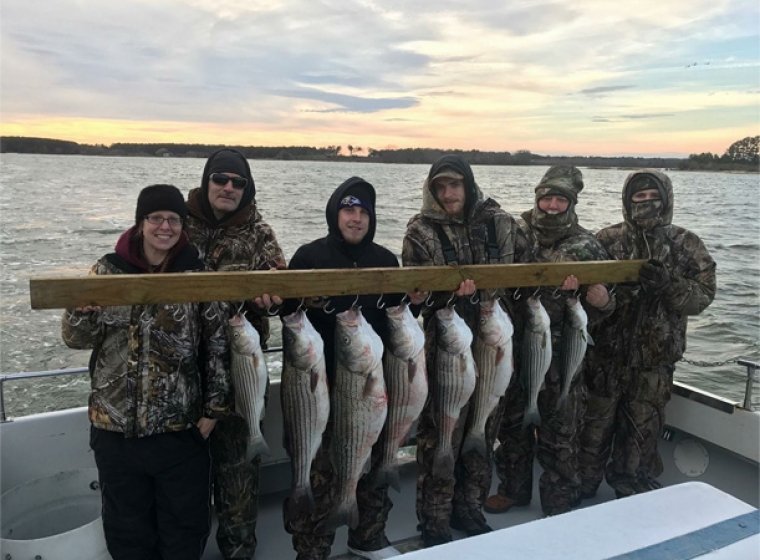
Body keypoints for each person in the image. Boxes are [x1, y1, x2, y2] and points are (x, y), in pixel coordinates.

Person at [61, 184, 231, 560]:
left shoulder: (196, 274)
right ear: (141, 223)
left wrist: (213, 410)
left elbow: (217, 343)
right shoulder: (107, 270)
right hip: (115, 429)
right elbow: (75, 337)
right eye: (156, 218)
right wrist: (81, 311)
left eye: (173, 219)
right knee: (127, 532)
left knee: (184, 530)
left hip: (179, 430)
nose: (165, 227)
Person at [402, 154, 532, 547]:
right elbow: (414, 298)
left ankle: (470, 507)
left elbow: (526, 273)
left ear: (469, 184)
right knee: (440, 437)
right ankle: (435, 522)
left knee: (483, 432)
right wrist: (439, 294)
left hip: (494, 347)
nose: (447, 193)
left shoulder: (503, 223)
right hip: (447, 351)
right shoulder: (420, 231)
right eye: (439, 187)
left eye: (454, 185)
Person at [282, 176, 402, 560]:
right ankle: (312, 548)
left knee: (371, 464)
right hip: (318, 386)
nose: (356, 218)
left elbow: (401, 315)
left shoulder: (386, 260)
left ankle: (367, 537)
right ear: (335, 214)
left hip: (371, 382)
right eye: (348, 210)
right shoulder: (308, 257)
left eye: (363, 211)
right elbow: (286, 311)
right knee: (321, 471)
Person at [485, 165, 615, 517]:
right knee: (513, 425)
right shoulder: (515, 231)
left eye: (560, 199)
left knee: (561, 431)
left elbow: (604, 310)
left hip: (563, 354)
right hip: (515, 347)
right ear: (537, 199)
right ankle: (513, 488)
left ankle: (559, 498)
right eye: (547, 198)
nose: (553, 205)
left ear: (571, 203)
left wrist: (601, 301)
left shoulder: (588, 244)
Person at [578, 169, 716, 499]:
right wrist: (602, 300)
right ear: (627, 201)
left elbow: (703, 296)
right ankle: (580, 488)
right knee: (591, 431)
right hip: (604, 359)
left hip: (655, 364)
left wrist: (669, 286)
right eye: (639, 197)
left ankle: (632, 492)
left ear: (666, 199)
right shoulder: (606, 240)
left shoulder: (686, 243)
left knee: (640, 436)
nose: (646, 202)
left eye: (653, 196)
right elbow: (583, 295)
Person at [185, 148, 286, 560]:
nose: (228, 188)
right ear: (206, 181)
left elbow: (283, 292)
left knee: (238, 476)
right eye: (220, 179)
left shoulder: (260, 233)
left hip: (241, 368)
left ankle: (239, 551)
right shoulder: (176, 224)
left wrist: (273, 297)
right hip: (184, 373)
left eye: (238, 182)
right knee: (184, 478)